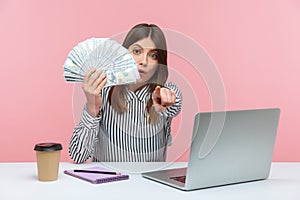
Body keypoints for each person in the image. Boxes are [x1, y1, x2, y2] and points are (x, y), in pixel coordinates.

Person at [69, 23, 182, 163]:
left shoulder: (163, 94)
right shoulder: (103, 93)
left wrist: (169, 98)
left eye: (153, 55)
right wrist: (92, 109)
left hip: (149, 183)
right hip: (109, 183)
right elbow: (77, 156)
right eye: (136, 52)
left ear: (159, 63)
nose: (143, 61)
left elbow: (174, 101)